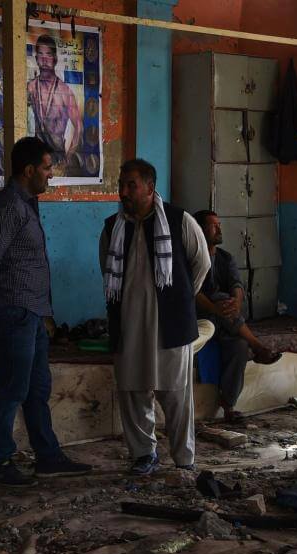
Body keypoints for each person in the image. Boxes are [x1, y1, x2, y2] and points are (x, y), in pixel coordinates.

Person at [0, 137, 93, 487]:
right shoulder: (10, 207)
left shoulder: (27, 204)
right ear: (28, 170)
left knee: (37, 389)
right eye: (46, 168)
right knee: (12, 388)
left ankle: (48, 457)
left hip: (32, 313)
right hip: (14, 310)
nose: (50, 174)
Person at [99, 159, 210, 475]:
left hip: (170, 326)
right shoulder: (112, 227)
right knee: (132, 392)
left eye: (131, 185)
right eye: (121, 185)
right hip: (129, 326)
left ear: (150, 187)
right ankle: (143, 454)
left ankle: (184, 458)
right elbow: (107, 271)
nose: (123, 192)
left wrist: (179, 298)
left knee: (176, 395)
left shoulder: (179, 221)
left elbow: (201, 264)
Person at [193, 210, 283, 422]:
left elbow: (237, 286)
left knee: (239, 347)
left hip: (226, 321)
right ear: (200, 230)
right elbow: (193, 292)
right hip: (202, 319)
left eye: (219, 224)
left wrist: (236, 302)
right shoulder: (192, 258)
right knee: (219, 297)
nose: (219, 229)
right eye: (213, 225)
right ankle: (258, 346)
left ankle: (229, 406)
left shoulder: (225, 258)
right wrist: (216, 307)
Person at [27, 35, 83, 168]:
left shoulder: (65, 91)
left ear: (55, 59)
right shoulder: (31, 87)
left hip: (57, 158)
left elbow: (79, 126)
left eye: (48, 54)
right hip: (36, 159)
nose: (44, 59)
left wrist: (69, 154)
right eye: (41, 54)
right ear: (36, 58)